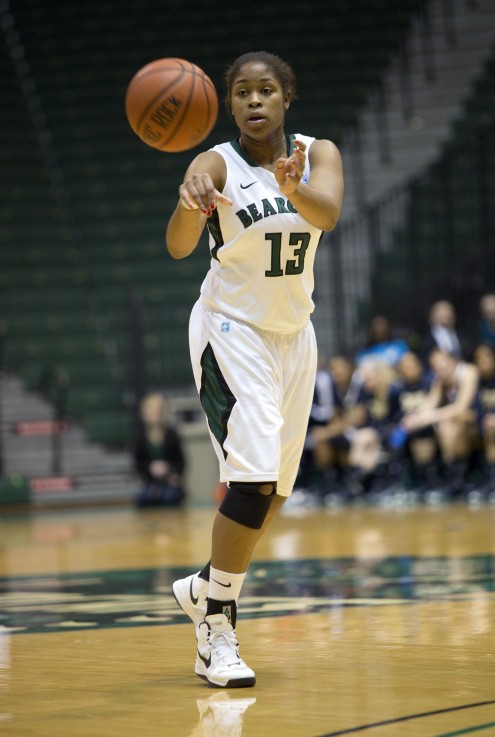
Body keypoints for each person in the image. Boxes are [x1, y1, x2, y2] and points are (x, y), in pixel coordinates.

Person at [166, 51, 344, 688]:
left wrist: (295, 189)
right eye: (242, 92)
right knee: (254, 478)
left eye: (266, 89)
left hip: (294, 336)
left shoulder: (318, 153)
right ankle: (217, 628)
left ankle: (203, 586)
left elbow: (328, 213)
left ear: (287, 96)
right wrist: (189, 201)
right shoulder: (217, 162)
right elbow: (178, 246)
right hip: (231, 329)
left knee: (274, 492)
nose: (254, 101)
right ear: (230, 103)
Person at [401, 348, 479, 498]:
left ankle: (459, 478)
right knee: (443, 426)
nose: (438, 368)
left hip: (477, 422)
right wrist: (414, 418)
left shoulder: (468, 372)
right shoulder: (440, 378)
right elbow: (429, 404)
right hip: (455, 424)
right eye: (434, 366)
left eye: (442, 363)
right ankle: (451, 479)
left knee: (450, 423)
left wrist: (429, 417)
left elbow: (461, 407)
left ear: (454, 361)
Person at [134, 393, 186, 507]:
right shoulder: (141, 437)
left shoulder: (171, 434)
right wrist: (150, 468)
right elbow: (138, 463)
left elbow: (180, 461)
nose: (155, 416)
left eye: (157, 412)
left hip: (170, 480)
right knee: (143, 498)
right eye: (152, 412)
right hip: (151, 481)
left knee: (169, 497)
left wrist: (170, 470)